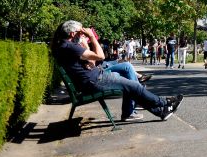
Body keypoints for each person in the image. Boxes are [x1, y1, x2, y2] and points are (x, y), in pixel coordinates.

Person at [51, 20, 182, 122]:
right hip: (95, 80)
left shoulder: (64, 46)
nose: (82, 35)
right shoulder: (70, 46)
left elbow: (91, 63)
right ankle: (165, 103)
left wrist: (86, 52)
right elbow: (101, 56)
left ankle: (161, 111)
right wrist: (92, 37)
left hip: (92, 79)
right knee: (134, 86)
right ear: (72, 34)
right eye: (80, 32)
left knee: (131, 83)